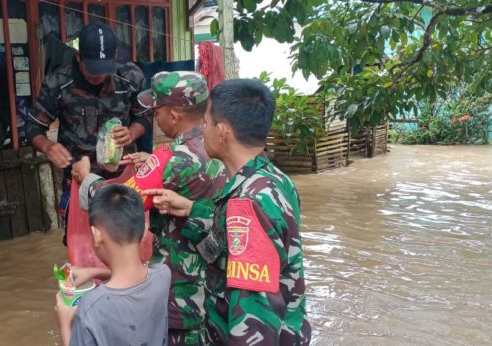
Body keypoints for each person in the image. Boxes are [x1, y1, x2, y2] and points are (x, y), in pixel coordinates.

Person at [143, 79, 312, 345]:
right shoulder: (273, 180)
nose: (202, 131)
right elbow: (225, 252)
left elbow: (254, 322)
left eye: (206, 124)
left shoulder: (249, 206)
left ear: (222, 131)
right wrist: (191, 210)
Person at [71, 71, 227, 345]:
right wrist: (153, 161)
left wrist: (86, 178)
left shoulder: (175, 159)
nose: (154, 118)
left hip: (182, 299)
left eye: (157, 110)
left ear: (175, 115)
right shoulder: (215, 146)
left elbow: (120, 201)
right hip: (214, 293)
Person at [25, 22, 150, 245]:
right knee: (82, 245)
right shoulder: (58, 82)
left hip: (124, 181)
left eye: (105, 68)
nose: (99, 76)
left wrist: (131, 132)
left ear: (114, 56)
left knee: (130, 244)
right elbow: (34, 127)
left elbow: (145, 116)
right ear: (79, 58)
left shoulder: (131, 75)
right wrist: (48, 147)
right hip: (79, 181)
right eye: (93, 69)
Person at [54, 184, 171, 346]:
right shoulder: (163, 275)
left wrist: (65, 325)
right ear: (144, 231)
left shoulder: (90, 308)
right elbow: (133, 278)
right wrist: (94, 272)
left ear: (96, 235)